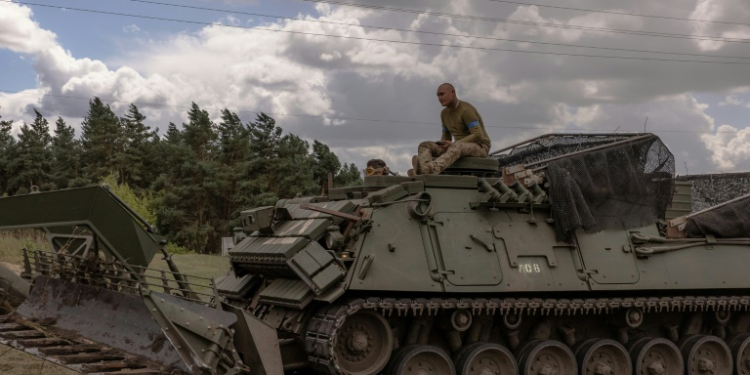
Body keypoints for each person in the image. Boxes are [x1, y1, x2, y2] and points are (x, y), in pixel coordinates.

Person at [409, 83, 491, 176]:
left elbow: (477, 135)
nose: (440, 98)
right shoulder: (444, 114)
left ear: (453, 93)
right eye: (438, 95)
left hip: (480, 147)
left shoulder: (466, 110)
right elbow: (446, 136)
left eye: (442, 94)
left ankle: (432, 169)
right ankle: (424, 168)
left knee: (457, 146)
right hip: (458, 147)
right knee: (425, 145)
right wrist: (443, 145)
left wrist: (454, 144)